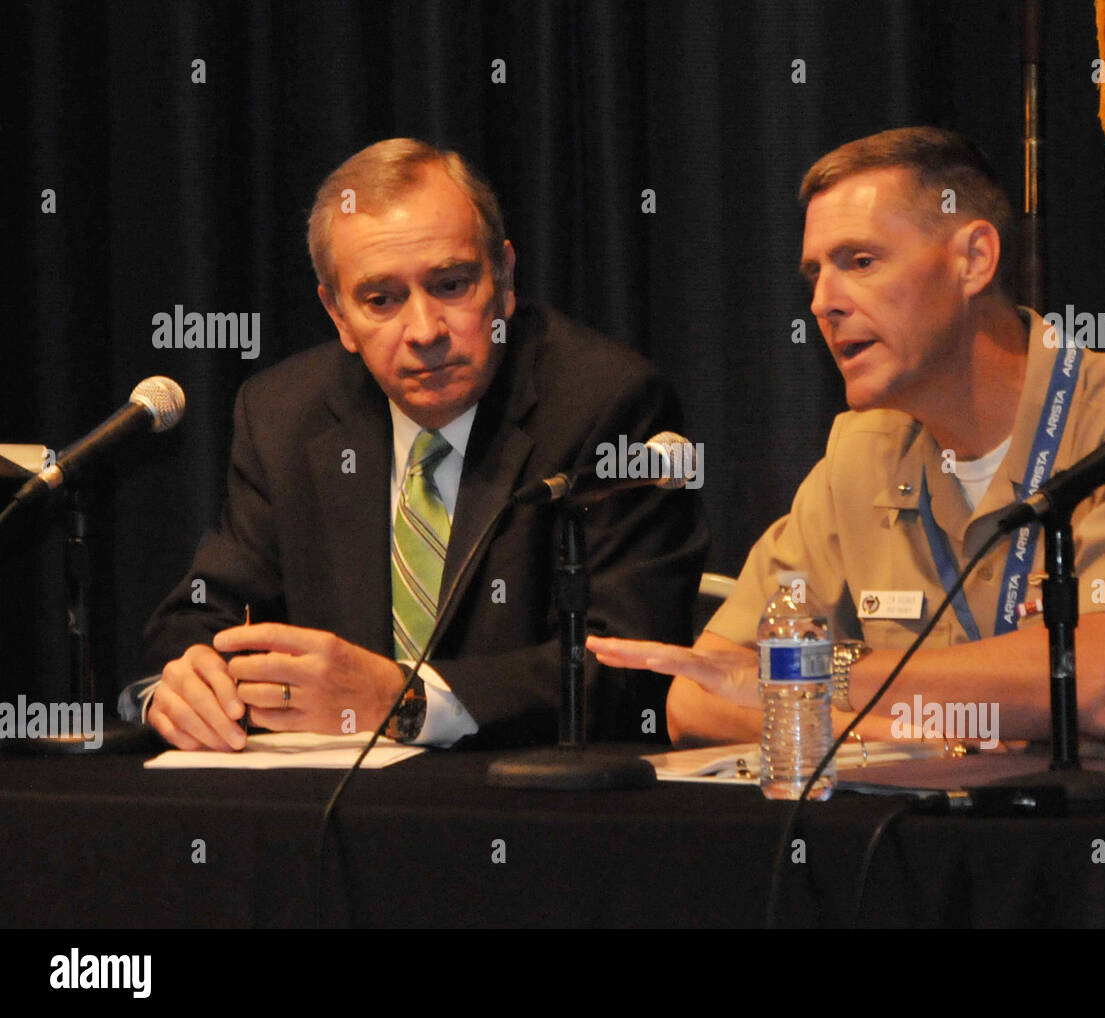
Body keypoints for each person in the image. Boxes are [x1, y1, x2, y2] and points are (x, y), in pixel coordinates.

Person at [589, 126, 1105, 773]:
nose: (823, 303)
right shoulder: (858, 453)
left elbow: (1103, 688)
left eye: (860, 261)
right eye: (815, 275)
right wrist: (913, 734)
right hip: (954, 852)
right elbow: (698, 696)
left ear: (974, 259)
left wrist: (821, 676)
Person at [120, 138, 708, 750]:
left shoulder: (605, 403)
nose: (425, 331)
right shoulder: (284, 415)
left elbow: (634, 666)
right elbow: (202, 614)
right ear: (339, 314)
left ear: (504, 279)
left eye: (451, 285)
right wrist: (187, 681)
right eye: (382, 300)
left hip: (525, 806)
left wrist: (407, 700)